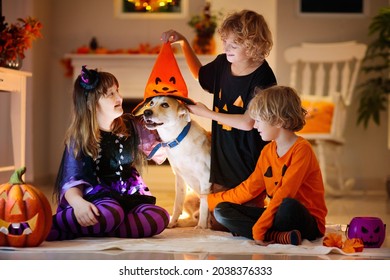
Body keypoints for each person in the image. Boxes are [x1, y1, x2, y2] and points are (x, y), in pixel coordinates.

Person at [161, 10, 277, 230]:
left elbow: (247, 122)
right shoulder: (223, 63)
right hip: (223, 158)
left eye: (233, 44)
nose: (226, 48)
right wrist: (184, 43)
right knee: (214, 218)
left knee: (227, 219)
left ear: (252, 45)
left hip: (249, 162)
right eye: (225, 42)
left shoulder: (263, 77)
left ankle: (269, 220)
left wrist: (206, 113)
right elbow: (200, 75)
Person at [46, 66, 170, 241]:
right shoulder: (80, 138)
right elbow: (71, 181)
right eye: (110, 94)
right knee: (111, 212)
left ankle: (95, 227)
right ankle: (51, 225)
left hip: (128, 195)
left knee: (159, 217)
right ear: (91, 103)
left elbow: (164, 150)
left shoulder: (132, 126)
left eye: (117, 91)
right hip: (96, 199)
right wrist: (79, 205)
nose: (119, 97)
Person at [207, 85, 328, 245]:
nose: (255, 126)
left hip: (304, 219)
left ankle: (266, 233)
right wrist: (210, 200)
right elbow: (249, 188)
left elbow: (285, 193)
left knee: (288, 206)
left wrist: (258, 231)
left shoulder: (302, 149)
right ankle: (278, 236)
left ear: (277, 121)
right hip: (277, 214)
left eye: (258, 120)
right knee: (221, 211)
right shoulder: (267, 151)